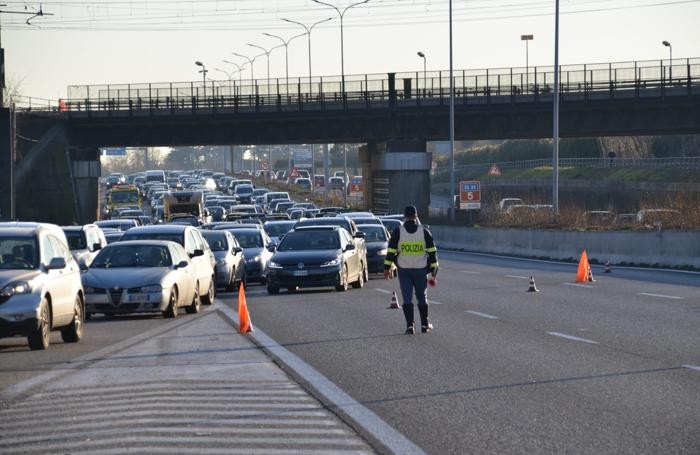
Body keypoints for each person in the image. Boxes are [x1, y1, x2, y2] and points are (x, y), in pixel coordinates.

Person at [384, 205, 439, 334]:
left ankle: (410, 326)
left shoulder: (398, 232)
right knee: (422, 297)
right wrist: (434, 270)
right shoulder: (424, 232)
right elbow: (433, 253)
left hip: (404, 270)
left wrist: (387, 268)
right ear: (416, 216)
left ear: (404, 217)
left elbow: (391, 252)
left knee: (407, 298)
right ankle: (425, 325)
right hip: (420, 270)